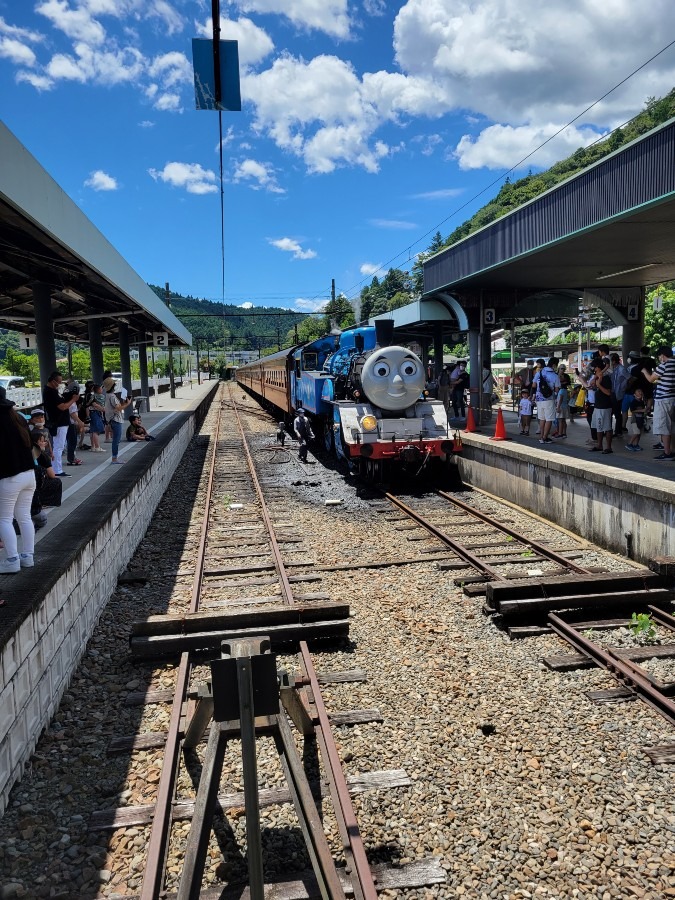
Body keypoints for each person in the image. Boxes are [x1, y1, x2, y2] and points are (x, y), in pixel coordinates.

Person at [0, 387, 36, 573]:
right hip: (29, 474)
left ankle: (12, 560)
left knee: (4, 519)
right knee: (24, 516)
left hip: (10, 476)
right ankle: (27, 557)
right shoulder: (19, 418)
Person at [641, 345, 675, 459]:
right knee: (671, 426)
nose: (659, 358)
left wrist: (645, 371)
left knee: (664, 426)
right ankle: (672, 450)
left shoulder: (664, 365)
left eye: (660, 356)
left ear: (663, 355)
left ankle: (667, 453)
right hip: (671, 398)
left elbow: (651, 379)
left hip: (663, 399)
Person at [42, 371, 75, 478]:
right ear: (52, 381)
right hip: (59, 422)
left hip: (61, 422)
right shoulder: (50, 392)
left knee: (59, 446)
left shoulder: (53, 391)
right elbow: (63, 407)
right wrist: (73, 400)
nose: (60, 384)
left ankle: (56, 468)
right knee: (59, 446)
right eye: (59, 382)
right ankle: (57, 470)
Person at [103, 376, 132, 465]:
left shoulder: (107, 396)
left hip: (112, 420)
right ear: (112, 386)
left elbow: (116, 407)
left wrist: (123, 403)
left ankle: (115, 457)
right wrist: (128, 404)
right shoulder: (112, 396)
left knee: (116, 439)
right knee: (116, 440)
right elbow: (118, 408)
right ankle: (114, 458)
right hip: (116, 420)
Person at [533, 357, 560, 444]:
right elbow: (556, 390)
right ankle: (545, 437)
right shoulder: (555, 375)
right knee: (549, 419)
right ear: (554, 365)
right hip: (549, 399)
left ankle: (541, 437)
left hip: (539, 399)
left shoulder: (539, 372)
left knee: (542, 418)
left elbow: (533, 385)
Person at [589, 361, 613, 453]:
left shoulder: (606, 378)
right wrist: (596, 379)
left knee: (606, 427)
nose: (594, 370)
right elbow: (591, 385)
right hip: (597, 406)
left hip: (605, 406)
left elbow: (608, 392)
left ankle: (608, 447)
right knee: (598, 426)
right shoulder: (598, 378)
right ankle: (599, 445)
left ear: (599, 368)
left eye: (595, 368)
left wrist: (599, 385)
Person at [609, 353, 628, 437]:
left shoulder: (621, 369)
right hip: (612, 393)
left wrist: (624, 387)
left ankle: (618, 431)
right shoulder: (612, 368)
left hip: (618, 393)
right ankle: (614, 430)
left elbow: (629, 378)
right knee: (612, 412)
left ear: (613, 361)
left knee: (617, 413)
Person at [86, 384, 106, 452]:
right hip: (95, 413)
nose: (102, 390)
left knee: (92, 430)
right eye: (101, 389)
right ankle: (97, 447)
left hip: (93, 413)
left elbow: (88, 405)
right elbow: (96, 405)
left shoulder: (91, 396)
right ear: (97, 390)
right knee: (96, 431)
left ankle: (93, 446)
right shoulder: (96, 397)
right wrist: (103, 409)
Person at [555, 374, 570, 439]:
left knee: (560, 421)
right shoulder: (566, 391)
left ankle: (560, 433)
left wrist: (558, 407)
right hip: (565, 406)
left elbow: (560, 399)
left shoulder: (561, 391)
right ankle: (564, 433)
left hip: (560, 407)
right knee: (563, 420)